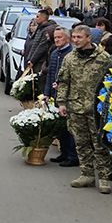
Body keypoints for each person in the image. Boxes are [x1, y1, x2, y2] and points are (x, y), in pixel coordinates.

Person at [57, 25, 112, 194]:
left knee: (100, 144)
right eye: (73, 37)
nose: (75, 40)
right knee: (81, 143)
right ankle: (87, 174)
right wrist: (61, 103)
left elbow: (111, 81)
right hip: (76, 106)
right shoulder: (69, 58)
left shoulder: (103, 58)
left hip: (97, 108)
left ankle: (104, 177)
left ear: (88, 38)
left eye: (79, 37)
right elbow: (63, 81)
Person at [43, 27, 77, 167]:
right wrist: (46, 93)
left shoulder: (71, 54)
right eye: (55, 37)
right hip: (57, 96)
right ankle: (64, 153)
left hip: (68, 97)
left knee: (70, 128)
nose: (56, 40)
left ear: (67, 39)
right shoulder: (55, 53)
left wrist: (63, 86)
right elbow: (51, 74)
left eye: (60, 38)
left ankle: (73, 156)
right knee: (61, 127)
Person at [24, 9, 57, 76]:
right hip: (35, 61)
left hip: (40, 62)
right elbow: (35, 45)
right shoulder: (40, 28)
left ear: (43, 18)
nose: (36, 19)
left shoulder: (46, 30)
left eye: (37, 17)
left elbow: (41, 47)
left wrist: (32, 60)